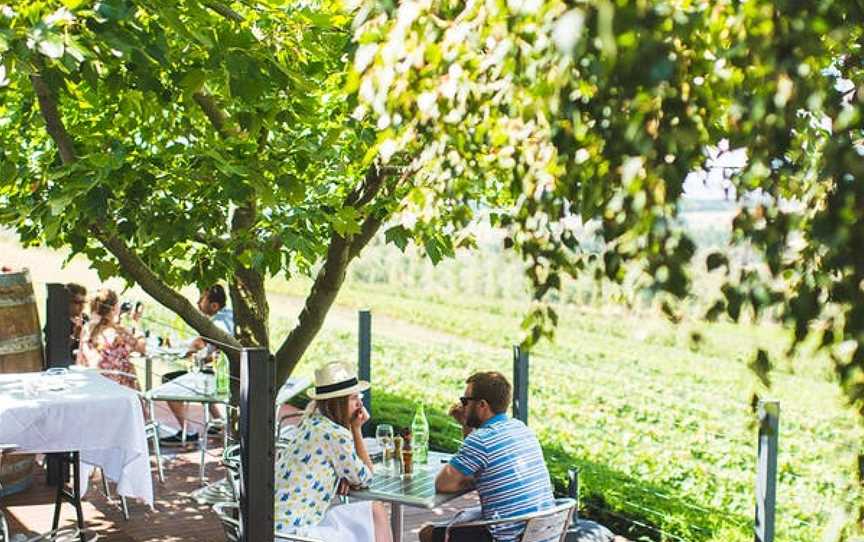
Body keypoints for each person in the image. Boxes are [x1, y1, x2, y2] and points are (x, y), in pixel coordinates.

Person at [419, 371, 555, 542]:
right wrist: (466, 425)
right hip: (543, 533)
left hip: (508, 536)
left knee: (428, 533)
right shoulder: (521, 428)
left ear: (482, 405)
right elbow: (477, 461)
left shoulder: (481, 440)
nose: (462, 406)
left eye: (465, 401)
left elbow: (443, 484)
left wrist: (476, 480)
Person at [274, 361, 391, 542]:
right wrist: (357, 429)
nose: (360, 404)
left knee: (369, 516)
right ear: (338, 402)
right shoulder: (335, 434)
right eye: (354, 399)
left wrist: (340, 475)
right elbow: (365, 477)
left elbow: (341, 469)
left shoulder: (311, 422)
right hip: (294, 534)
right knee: (376, 511)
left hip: (274, 527)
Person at [159, 285, 234, 446]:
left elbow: (201, 345)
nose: (198, 303)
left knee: (169, 380)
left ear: (214, 305)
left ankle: (188, 432)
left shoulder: (218, 323)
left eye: (201, 299)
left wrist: (187, 351)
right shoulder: (227, 316)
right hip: (225, 373)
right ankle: (220, 423)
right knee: (201, 377)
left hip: (221, 376)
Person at [76, 288, 145, 389]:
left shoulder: (87, 330)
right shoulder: (119, 332)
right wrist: (136, 322)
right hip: (118, 388)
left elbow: (79, 361)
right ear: (114, 308)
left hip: (92, 385)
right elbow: (142, 348)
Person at [66, 282, 87, 359]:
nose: (82, 306)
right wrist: (75, 335)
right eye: (77, 302)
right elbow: (59, 348)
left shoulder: (85, 318)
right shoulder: (60, 321)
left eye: (83, 302)